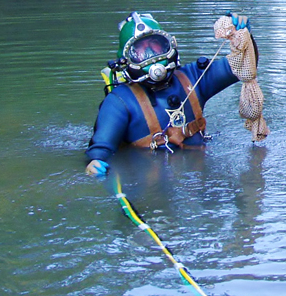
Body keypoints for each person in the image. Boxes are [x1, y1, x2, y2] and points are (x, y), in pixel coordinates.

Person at [85, 11, 254, 176]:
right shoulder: (120, 101)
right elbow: (100, 150)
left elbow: (243, 67)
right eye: (141, 52)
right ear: (126, 60)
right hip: (149, 181)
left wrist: (242, 37)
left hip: (198, 176)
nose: (152, 56)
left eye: (156, 46)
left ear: (170, 45)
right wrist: (94, 163)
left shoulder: (194, 77)